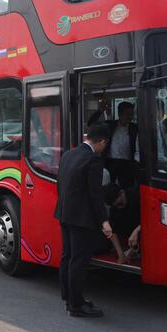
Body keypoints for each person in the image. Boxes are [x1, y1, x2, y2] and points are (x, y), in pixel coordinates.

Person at [54, 124, 114, 318]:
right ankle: (76, 305)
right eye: (105, 145)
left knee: (67, 256)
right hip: (82, 218)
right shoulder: (93, 160)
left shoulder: (68, 155)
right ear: (102, 142)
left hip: (64, 213)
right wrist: (104, 221)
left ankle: (68, 297)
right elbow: (95, 194)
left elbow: (61, 185)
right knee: (79, 260)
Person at [105, 101, 139, 189]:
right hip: (110, 162)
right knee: (108, 188)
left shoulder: (134, 128)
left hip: (127, 164)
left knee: (127, 189)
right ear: (120, 114)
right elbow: (91, 123)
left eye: (131, 114)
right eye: (127, 114)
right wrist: (100, 111)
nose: (130, 117)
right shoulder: (110, 125)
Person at [103, 186, 141, 263]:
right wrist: (120, 254)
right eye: (116, 205)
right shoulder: (114, 208)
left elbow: (151, 216)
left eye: (120, 203)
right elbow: (112, 230)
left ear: (122, 193)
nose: (119, 206)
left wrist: (136, 231)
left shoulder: (137, 196)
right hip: (128, 231)